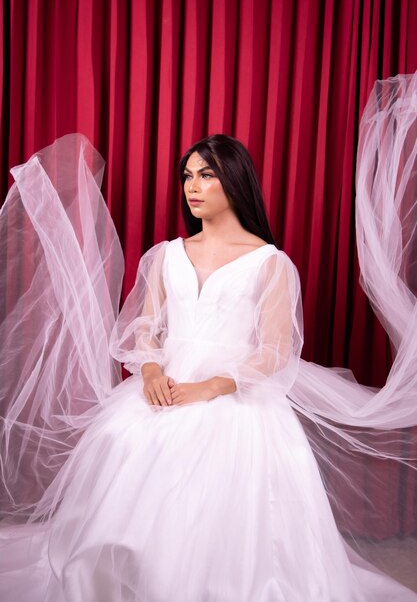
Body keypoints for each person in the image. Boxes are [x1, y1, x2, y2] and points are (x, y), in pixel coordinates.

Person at [0, 73, 417, 601]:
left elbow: (274, 353)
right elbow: (144, 329)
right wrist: (150, 372)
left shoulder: (272, 264)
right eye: (187, 176)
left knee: (218, 515)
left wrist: (209, 388)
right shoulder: (166, 254)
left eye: (207, 176)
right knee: (121, 458)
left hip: (235, 401)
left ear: (235, 182)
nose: (193, 187)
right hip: (161, 390)